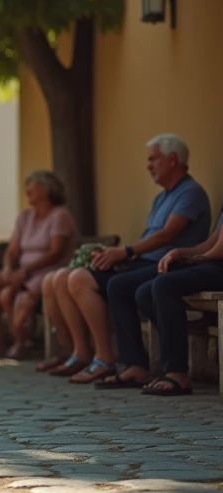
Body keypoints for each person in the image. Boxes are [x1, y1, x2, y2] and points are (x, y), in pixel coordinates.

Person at [62, 134, 212, 385]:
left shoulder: (191, 192)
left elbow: (167, 235)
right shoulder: (161, 197)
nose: (148, 165)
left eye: (153, 159)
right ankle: (108, 358)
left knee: (119, 286)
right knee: (85, 278)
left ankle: (135, 365)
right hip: (144, 263)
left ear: (173, 159)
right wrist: (118, 257)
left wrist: (125, 252)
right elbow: (150, 238)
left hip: (169, 265)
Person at [0, 170, 79, 361]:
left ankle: (21, 341)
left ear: (46, 189)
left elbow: (56, 252)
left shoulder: (59, 215)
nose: (27, 190)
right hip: (23, 270)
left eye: (32, 185)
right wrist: (8, 268)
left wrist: (25, 270)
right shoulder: (25, 217)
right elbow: (12, 250)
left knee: (7, 295)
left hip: (48, 270)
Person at [126, 208, 223, 395]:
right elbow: (211, 244)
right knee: (144, 293)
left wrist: (192, 260)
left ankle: (177, 372)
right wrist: (179, 252)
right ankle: (175, 350)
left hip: (219, 266)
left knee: (164, 285)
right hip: (214, 263)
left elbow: (218, 252)